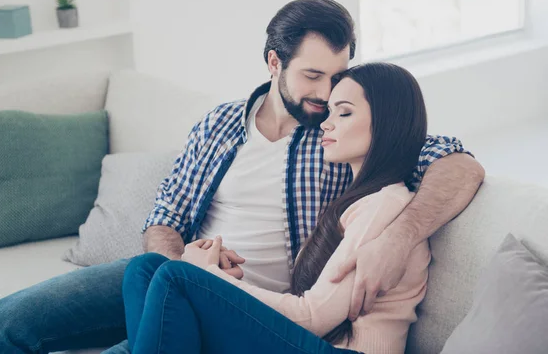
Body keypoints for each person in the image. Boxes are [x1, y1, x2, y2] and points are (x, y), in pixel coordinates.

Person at [0, 0, 484, 354]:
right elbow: (164, 219)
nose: (327, 93)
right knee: (2, 325)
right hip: (191, 278)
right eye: (312, 76)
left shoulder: (342, 135)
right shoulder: (220, 124)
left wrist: (401, 236)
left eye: (336, 76)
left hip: (266, 306)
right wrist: (185, 269)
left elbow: (459, 164)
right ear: (273, 62)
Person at [123, 62, 432, 353]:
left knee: (176, 277)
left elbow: (313, 316)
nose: (326, 123)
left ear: (386, 122)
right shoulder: (357, 198)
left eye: (345, 113)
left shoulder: (384, 204)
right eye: (330, 112)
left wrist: (208, 274)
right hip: (313, 342)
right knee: (145, 269)